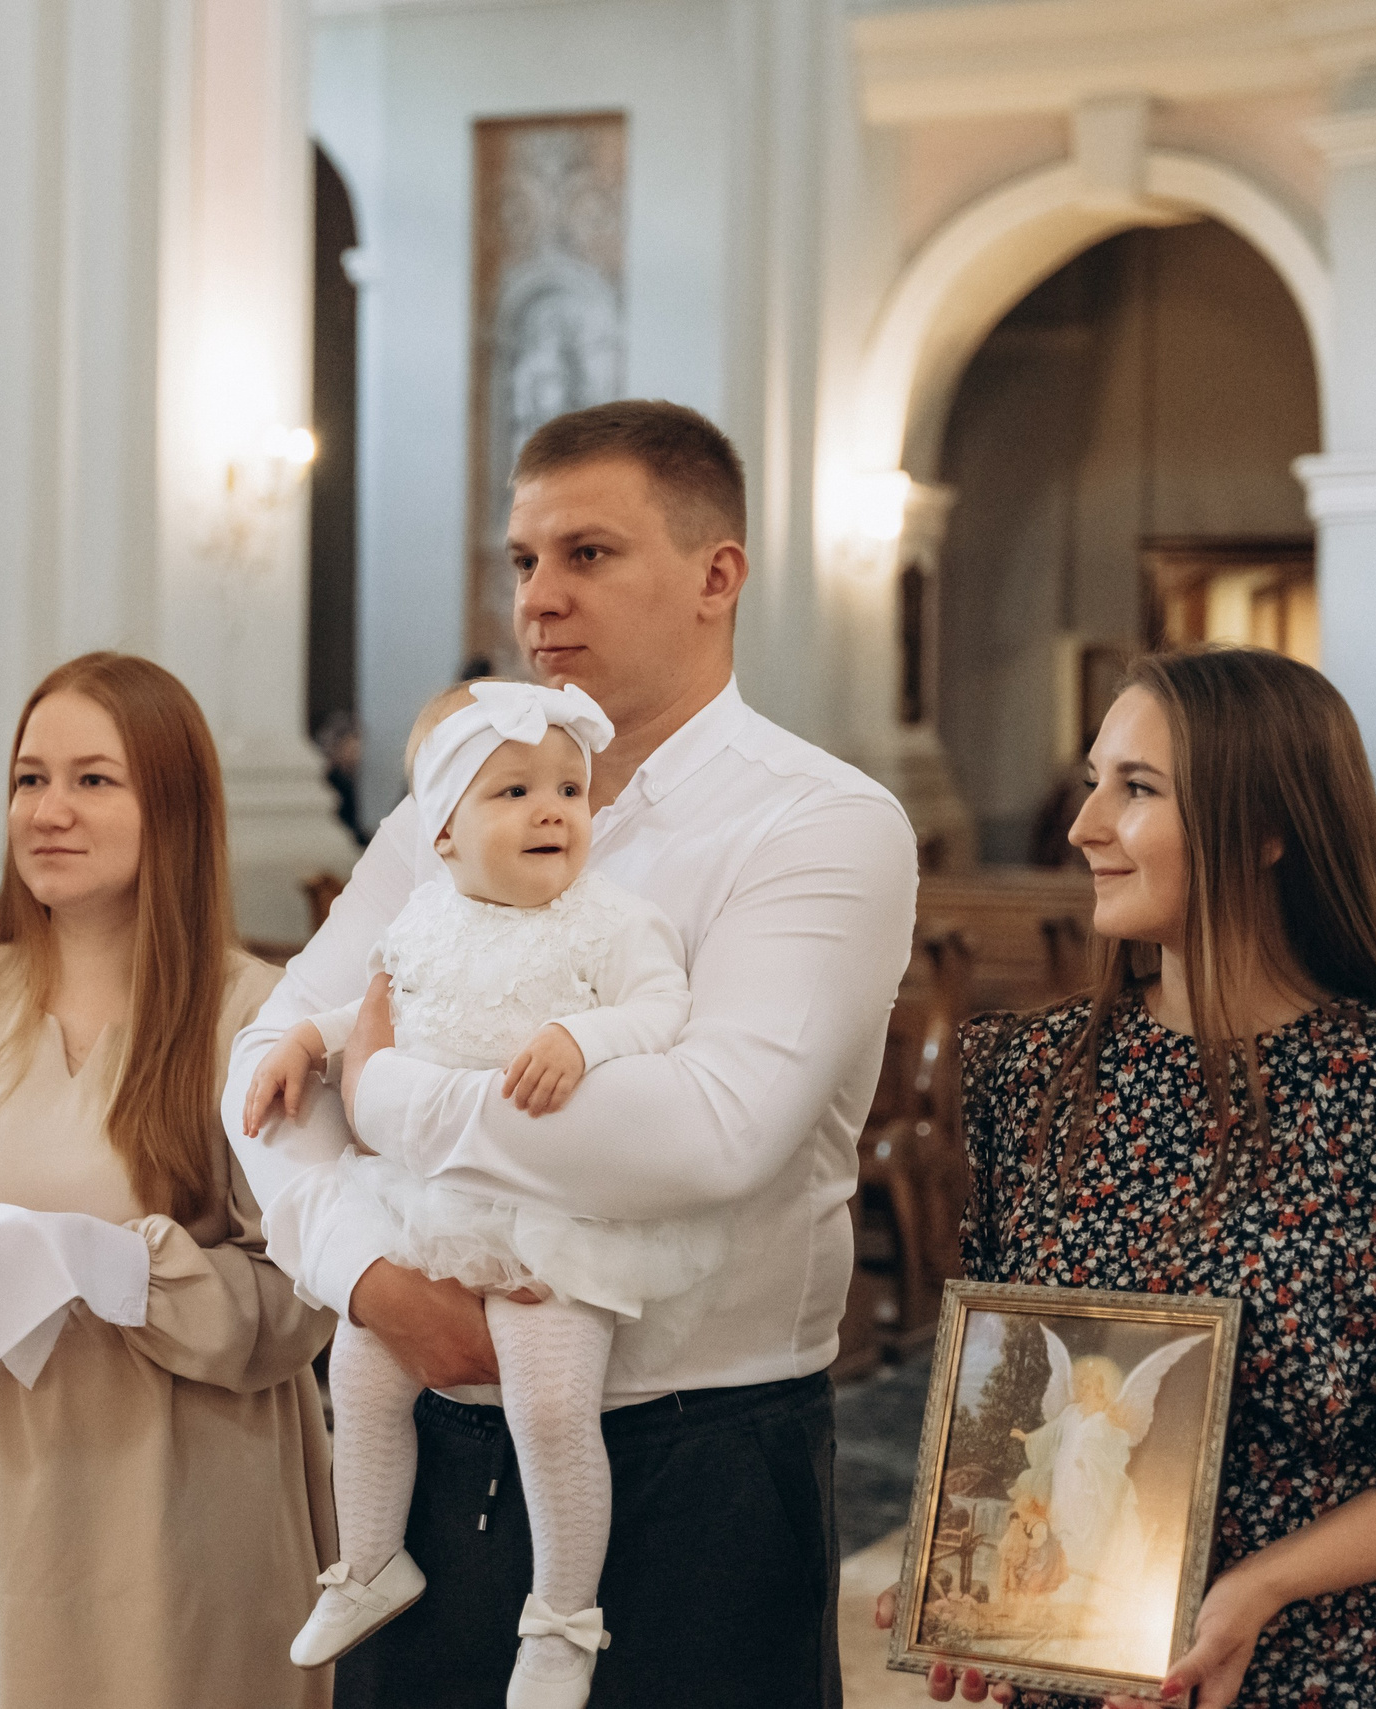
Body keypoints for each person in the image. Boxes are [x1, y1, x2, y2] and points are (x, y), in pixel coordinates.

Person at [226, 399, 921, 1707]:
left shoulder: (820, 822)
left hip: (699, 1460)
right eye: (523, 558)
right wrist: (364, 1273)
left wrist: (390, 1094)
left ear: (717, 574)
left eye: (587, 554)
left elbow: (706, 1131)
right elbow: (270, 1058)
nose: (538, 597)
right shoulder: (451, 803)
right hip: (426, 1436)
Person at [892, 648, 1376, 1709]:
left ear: (1264, 830)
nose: (1084, 827)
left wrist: (1258, 1585)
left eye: (1137, 788)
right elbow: (1002, 1363)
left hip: (1320, 1669)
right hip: (1075, 1668)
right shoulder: (1030, 1075)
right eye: (1093, 782)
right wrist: (962, 1579)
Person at [0, 651, 338, 1709]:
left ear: (173, 805)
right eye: (29, 778)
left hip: (174, 1492)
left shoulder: (260, 1012)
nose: (48, 810)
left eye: (92, 779)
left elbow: (302, 1296)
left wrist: (122, 1271)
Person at [246, 679, 701, 1709]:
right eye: (515, 791)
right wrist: (305, 1041)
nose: (553, 810)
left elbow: (663, 1009)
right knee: (360, 1369)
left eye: (570, 789)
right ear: (443, 833)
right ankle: (369, 1561)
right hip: (430, 1206)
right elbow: (369, 1002)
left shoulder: (610, 922)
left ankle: (561, 1620)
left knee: (550, 1402)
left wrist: (580, 1035)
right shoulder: (423, 917)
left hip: (556, 1217)